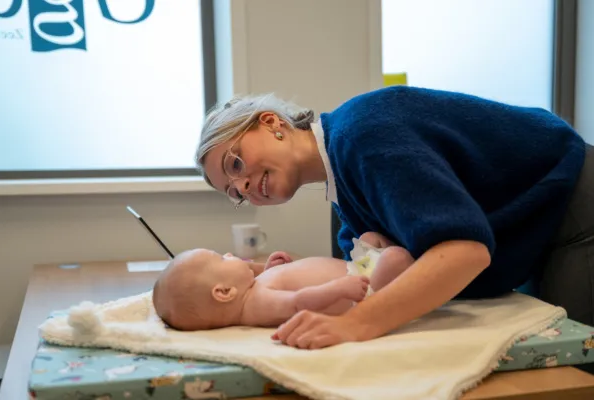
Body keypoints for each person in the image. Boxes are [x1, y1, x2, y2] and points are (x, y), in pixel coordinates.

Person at [194, 86, 593, 351]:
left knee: (573, 365)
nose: (243, 185)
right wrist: (272, 277)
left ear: (271, 122)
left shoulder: (363, 135)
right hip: (532, 223)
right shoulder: (345, 191)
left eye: (236, 162)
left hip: (572, 193)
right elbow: (363, 275)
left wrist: (358, 325)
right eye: (234, 192)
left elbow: (465, 251)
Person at [152, 232, 414, 337]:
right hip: (361, 295)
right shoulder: (258, 303)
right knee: (396, 257)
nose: (230, 255)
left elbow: (283, 285)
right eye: (222, 258)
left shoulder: (251, 290)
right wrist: (339, 289)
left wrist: (271, 271)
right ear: (224, 292)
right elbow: (299, 301)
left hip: (354, 271)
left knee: (370, 238)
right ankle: (419, 284)